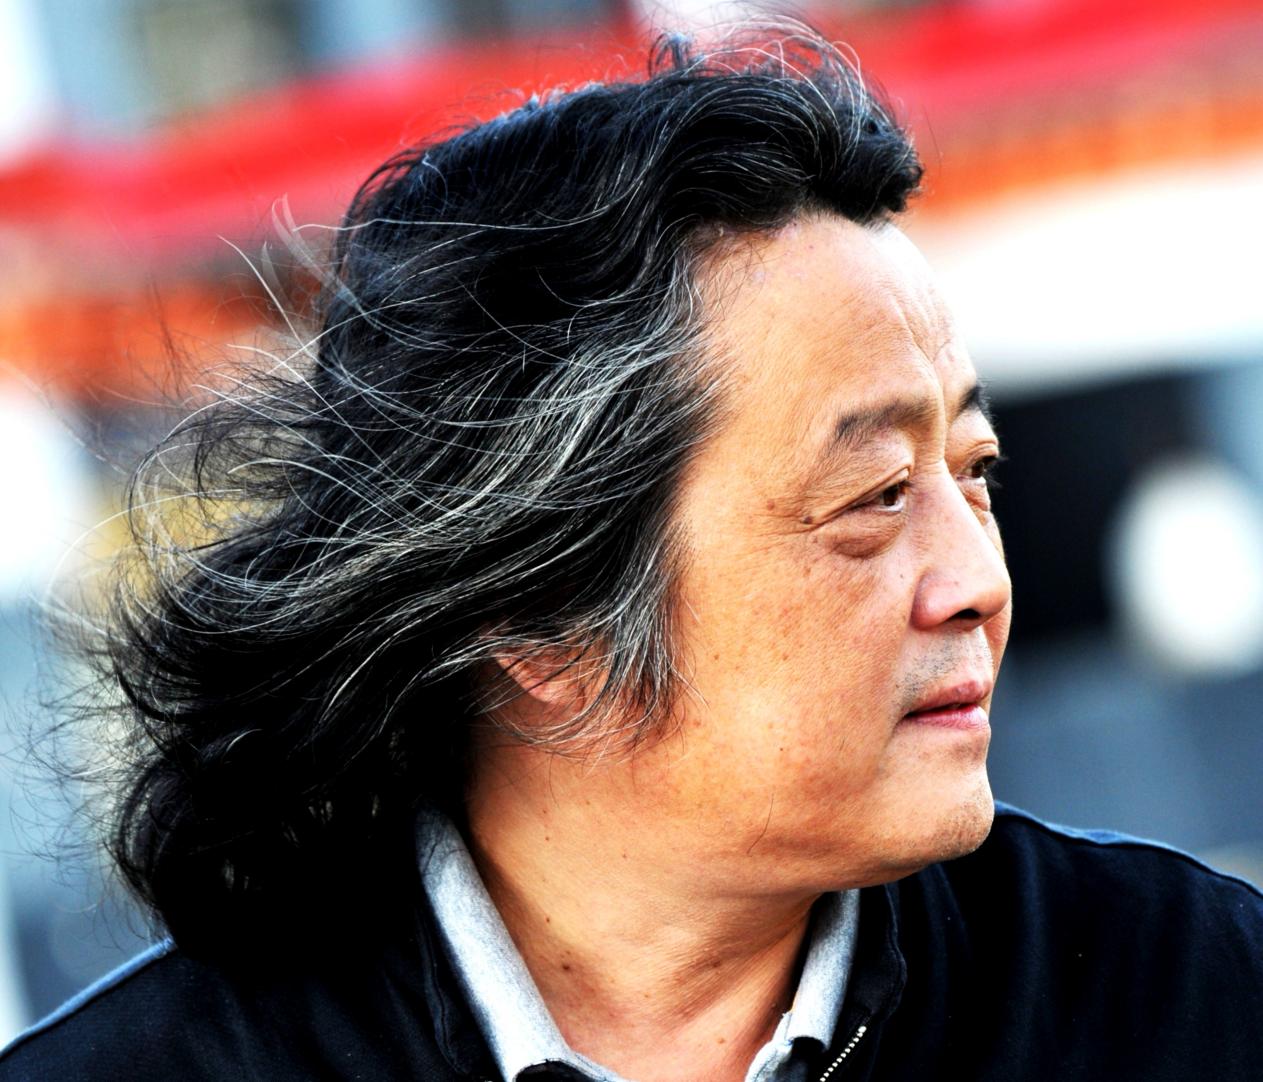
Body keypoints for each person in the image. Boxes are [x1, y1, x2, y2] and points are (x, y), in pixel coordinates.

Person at [3, 23, 1261, 1082]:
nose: (979, 581)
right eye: (875, 496)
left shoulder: (1192, 1001)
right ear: (539, 613)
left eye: (973, 472)